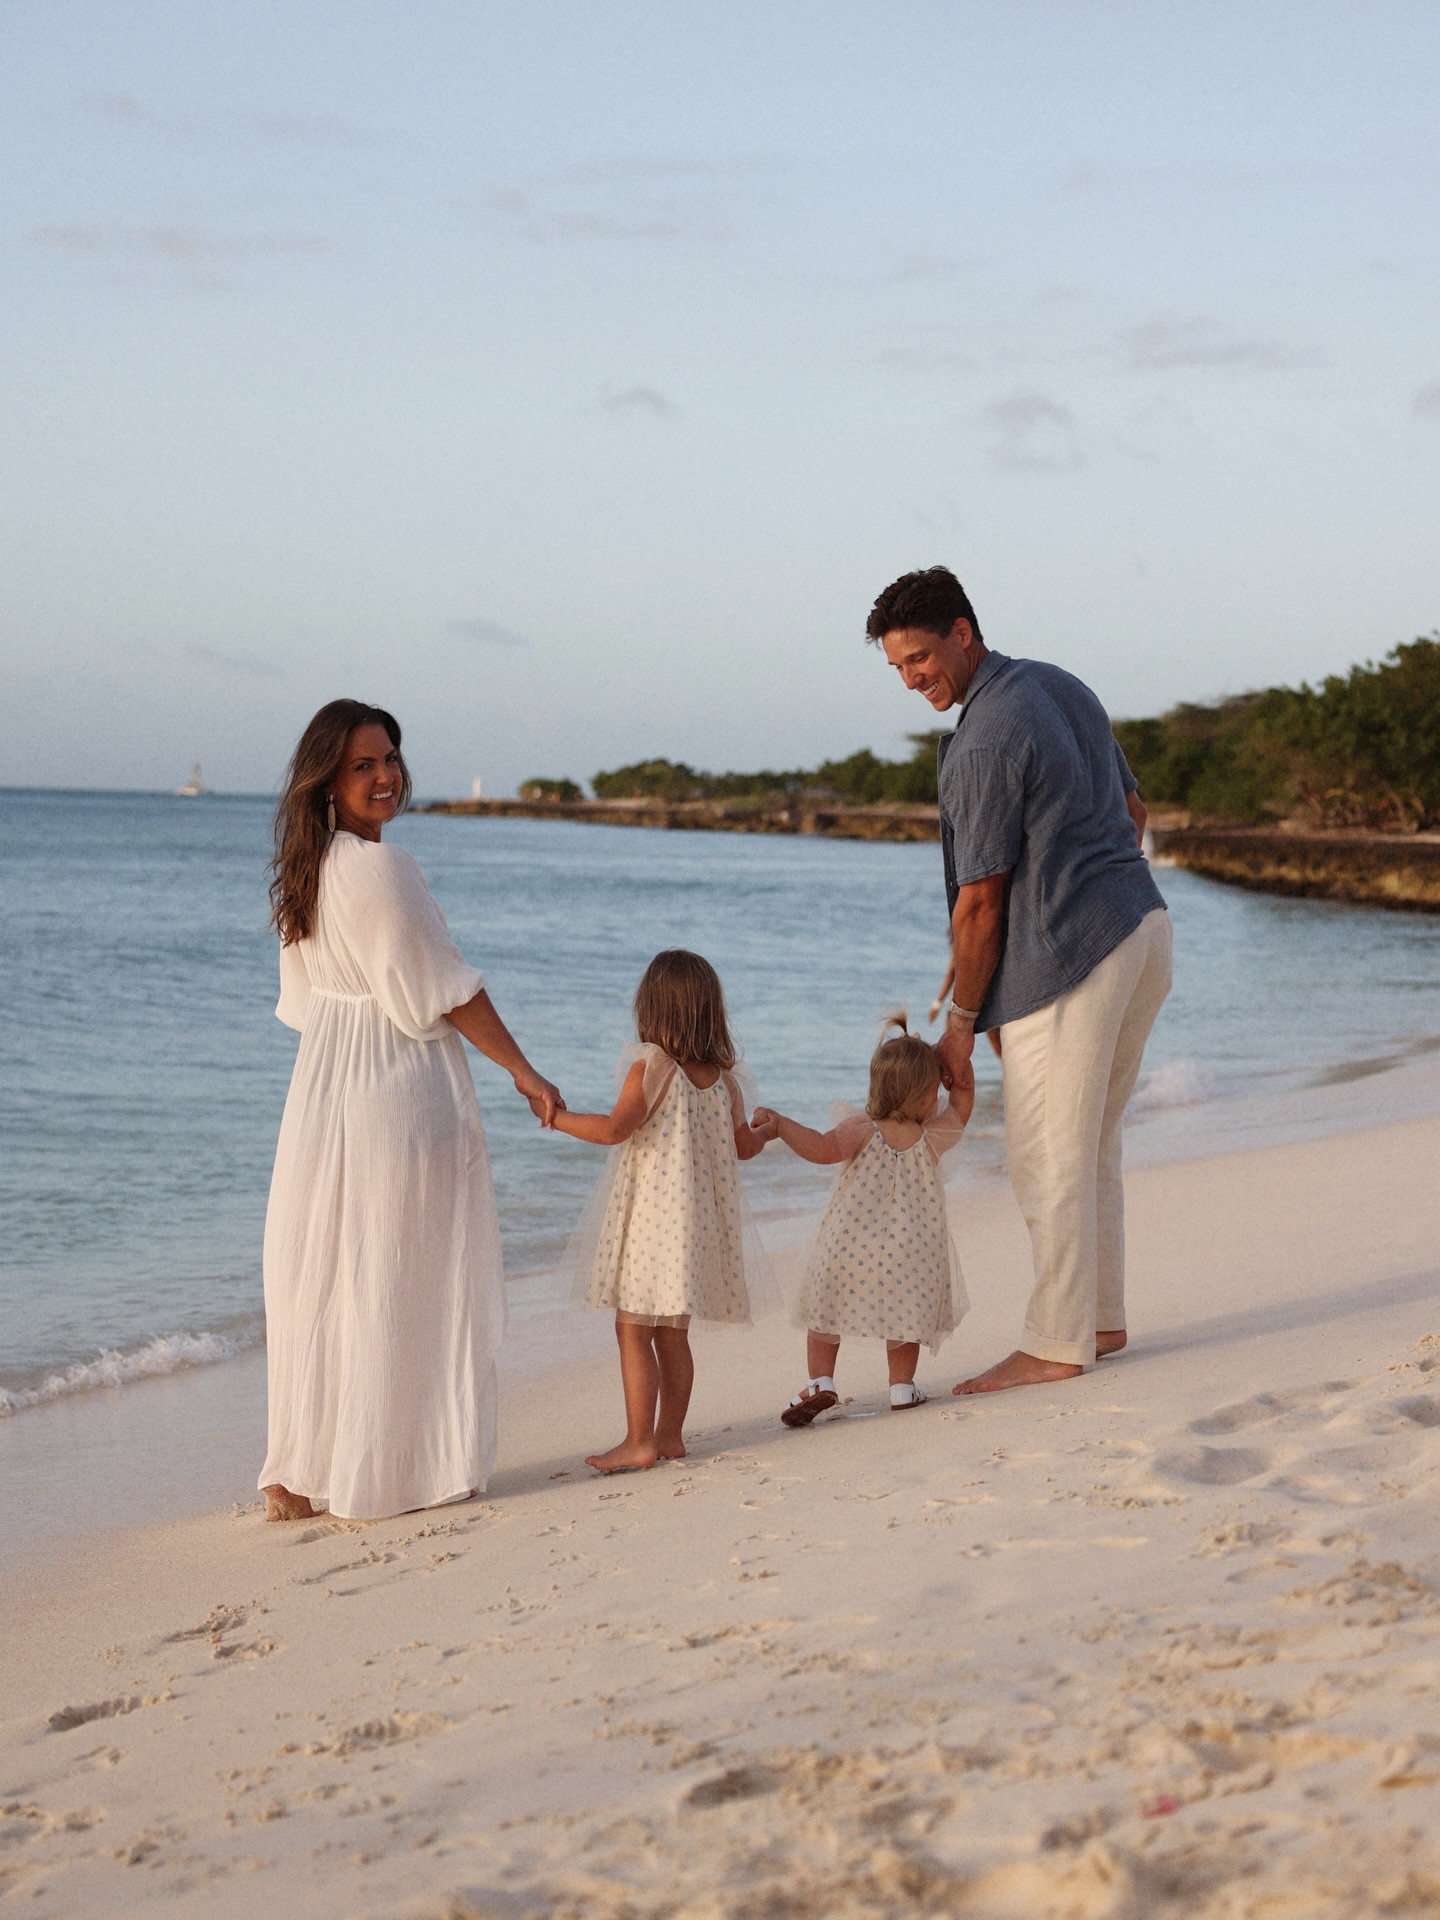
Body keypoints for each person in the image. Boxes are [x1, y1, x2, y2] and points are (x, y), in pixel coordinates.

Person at [868, 566, 1171, 1394]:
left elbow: (980, 901)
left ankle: (1056, 1343)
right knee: (1092, 1142)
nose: (912, 678)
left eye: (921, 658)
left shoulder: (988, 733)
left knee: (1047, 1158)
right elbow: (1133, 817)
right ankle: (1099, 1320)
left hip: (1078, 960)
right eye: (897, 666)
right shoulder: (1057, 686)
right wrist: (1076, 888)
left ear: (963, 632)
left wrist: (962, 1019)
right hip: (1143, 930)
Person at [259, 699, 563, 1522]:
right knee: (402, 1275)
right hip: (397, 1082)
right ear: (329, 778)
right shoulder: (380, 868)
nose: (386, 775)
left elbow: (302, 1003)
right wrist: (524, 1071)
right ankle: (393, 1468)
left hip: (323, 1092)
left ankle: (302, 1470)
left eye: (390, 758)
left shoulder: (306, 869)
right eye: (364, 765)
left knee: (325, 1277)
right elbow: (445, 986)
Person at [553, 949, 777, 1473]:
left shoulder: (652, 1067)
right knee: (673, 1335)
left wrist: (557, 1118)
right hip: (695, 1231)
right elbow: (743, 1147)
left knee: (632, 1329)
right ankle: (670, 1436)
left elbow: (614, 1129)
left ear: (652, 1009)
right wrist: (767, 1133)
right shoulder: (726, 1080)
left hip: (653, 1226)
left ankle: (638, 1441)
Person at [755, 1016, 973, 1427]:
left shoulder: (860, 1129)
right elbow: (962, 1104)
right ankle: (902, 1387)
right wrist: (959, 1065)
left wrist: (782, 1126)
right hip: (911, 1252)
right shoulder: (932, 1137)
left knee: (825, 1313)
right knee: (906, 1317)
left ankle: (820, 1382)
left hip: (848, 1247)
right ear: (927, 1095)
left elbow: (820, 1148)